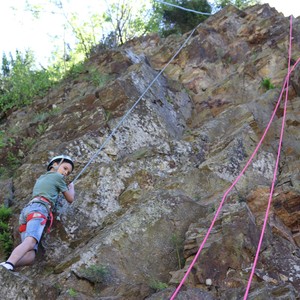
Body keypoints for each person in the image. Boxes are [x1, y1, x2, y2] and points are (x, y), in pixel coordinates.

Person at [0, 155, 75, 271]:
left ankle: (6, 264)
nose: (66, 173)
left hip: (28, 211)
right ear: (55, 165)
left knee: (30, 256)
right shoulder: (57, 178)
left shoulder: (41, 178)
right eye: (65, 168)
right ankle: (9, 263)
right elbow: (70, 199)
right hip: (39, 209)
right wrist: (71, 188)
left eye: (68, 172)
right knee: (30, 241)